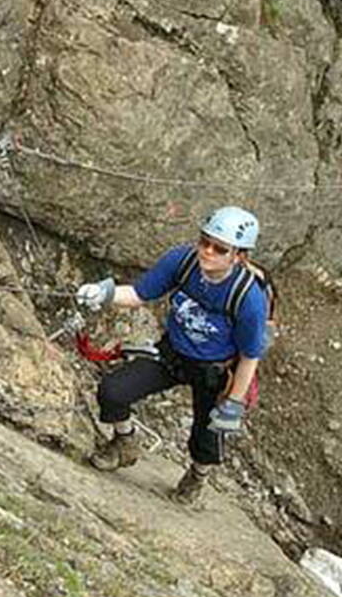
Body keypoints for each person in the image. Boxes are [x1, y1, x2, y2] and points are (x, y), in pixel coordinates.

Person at [74, 206, 271, 504]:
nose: (207, 251)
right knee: (113, 392)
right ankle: (124, 442)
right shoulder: (182, 262)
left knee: (208, 435)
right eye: (204, 241)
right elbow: (141, 294)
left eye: (219, 249)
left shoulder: (248, 299)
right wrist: (105, 294)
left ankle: (197, 476)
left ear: (238, 256)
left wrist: (233, 403)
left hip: (215, 371)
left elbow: (249, 356)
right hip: (174, 353)